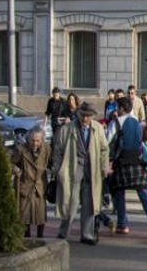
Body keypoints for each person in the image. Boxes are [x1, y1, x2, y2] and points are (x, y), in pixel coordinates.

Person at [53, 102, 111, 245]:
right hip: (72, 170)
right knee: (70, 204)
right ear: (78, 114)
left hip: (92, 171)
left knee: (89, 204)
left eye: (88, 116)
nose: (85, 119)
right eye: (83, 115)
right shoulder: (67, 129)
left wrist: (104, 166)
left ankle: (87, 234)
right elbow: (58, 151)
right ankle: (63, 232)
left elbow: (105, 149)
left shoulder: (97, 128)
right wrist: (57, 169)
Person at [109, 96, 147, 239]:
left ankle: (122, 224)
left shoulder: (116, 122)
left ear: (121, 108)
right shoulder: (138, 123)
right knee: (144, 195)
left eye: (117, 107)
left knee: (118, 191)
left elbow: (107, 141)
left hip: (122, 163)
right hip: (137, 163)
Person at [12, 127, 52, 238]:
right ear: (28, 139)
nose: (35, 143)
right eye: (32, 140)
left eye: (38, 141)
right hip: (25, 185)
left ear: (42, 140)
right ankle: (26, 237)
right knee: (24, 215)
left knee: (40, 214)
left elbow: (51, 163)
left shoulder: (47, 149)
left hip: (39, 185)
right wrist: (15, 168)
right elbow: (11, 162)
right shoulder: (20, 149)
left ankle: (41, 236)